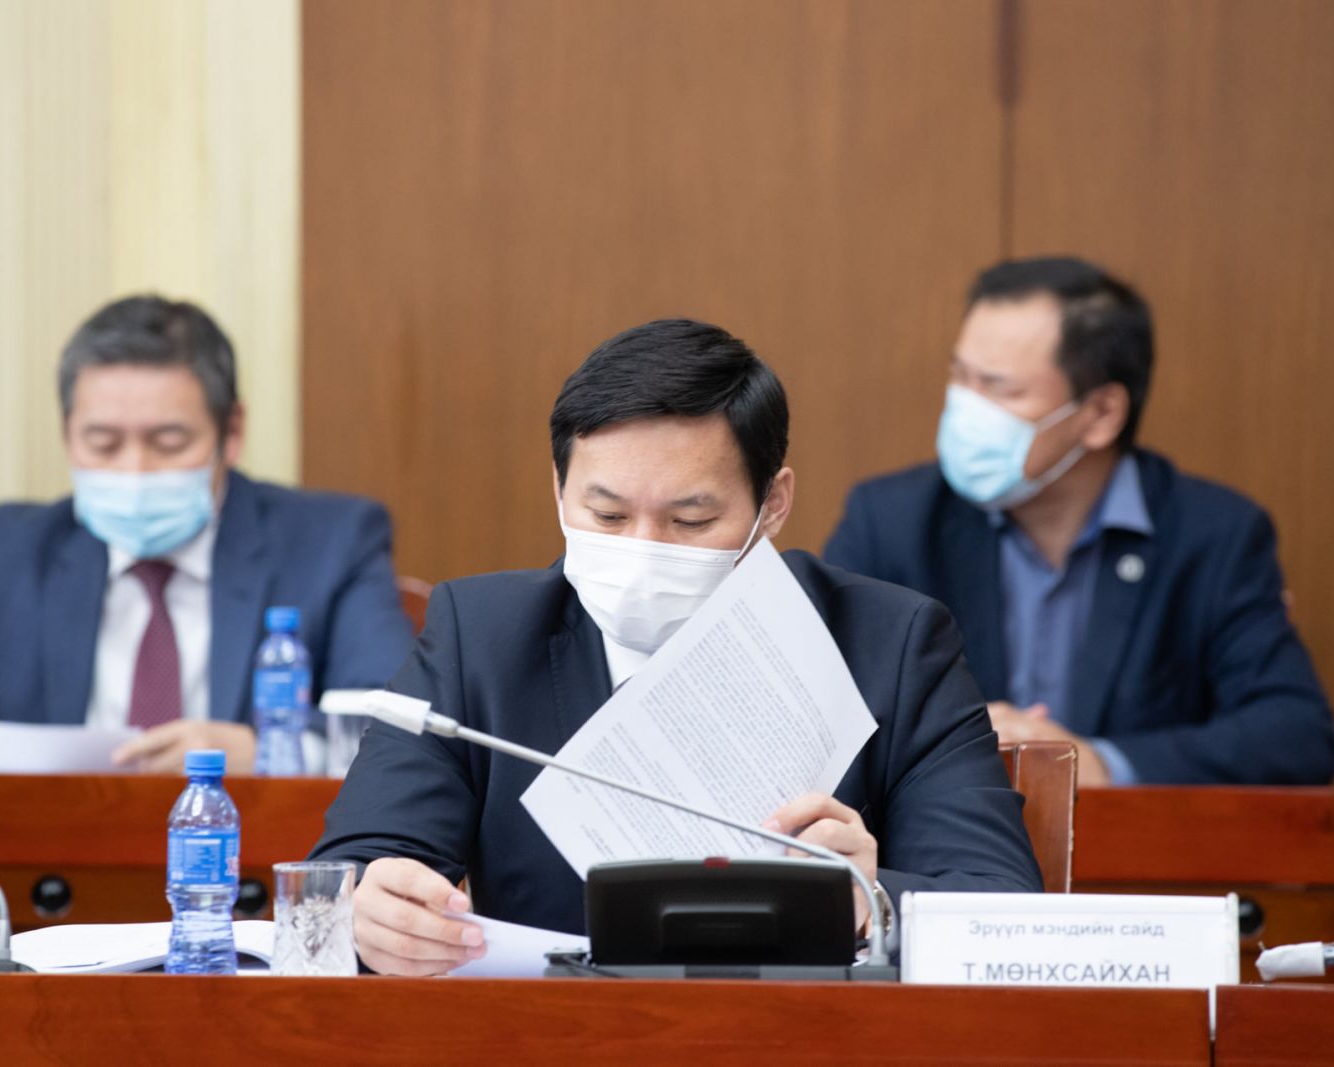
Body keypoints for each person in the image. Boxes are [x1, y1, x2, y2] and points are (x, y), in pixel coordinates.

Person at [315, 318, 1041, 977]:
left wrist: (867, 901)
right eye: (606, 514)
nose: (642, 549)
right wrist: (370, 914)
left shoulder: (891, 642)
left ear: (772, 503)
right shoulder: (481, 635)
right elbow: (346, 876)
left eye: (690, 520)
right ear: (559, 489)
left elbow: (999, 907)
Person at [0, 295, 414, 773]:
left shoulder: (332, 543)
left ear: (231, 433)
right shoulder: (14, 551)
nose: (134, 470)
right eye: (103, 443)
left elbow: (398, 735)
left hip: (246, 871)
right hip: (54, 877)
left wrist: (268, 753)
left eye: (168, 442)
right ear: (67, 435)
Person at [824, 256, 1334, 787]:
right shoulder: (891, 521)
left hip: (1129, 838)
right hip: (940, 837)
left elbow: (1296, 737)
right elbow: (819, 706)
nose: (965, 409)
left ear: (1101, 414)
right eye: (961, 377)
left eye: (1001, 389)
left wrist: (1100, 763)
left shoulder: (1215, 536)